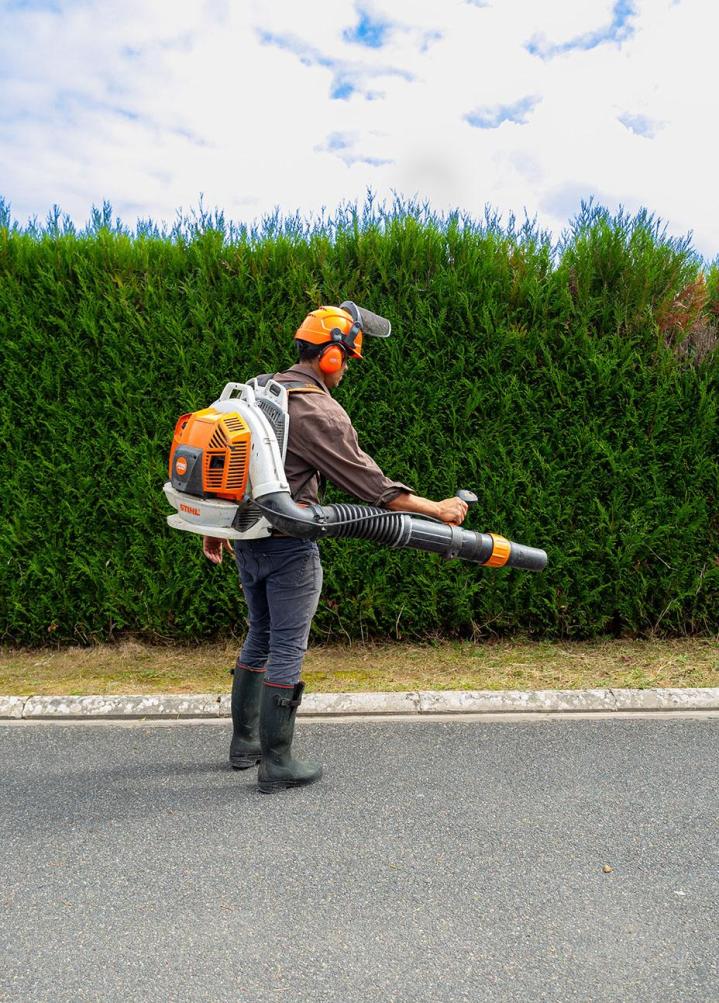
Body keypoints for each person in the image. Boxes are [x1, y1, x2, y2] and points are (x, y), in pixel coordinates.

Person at [202, 305, 468, 793]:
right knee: (284, 645)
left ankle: (246, 745)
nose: (346, 368)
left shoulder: (261, 388)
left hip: (248, 541)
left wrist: (216, 526)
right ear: (328, 357)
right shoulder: (318, 411)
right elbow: (371, 486)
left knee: (259, 634)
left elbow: (226, 460)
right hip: (288, 544)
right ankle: (276, 763)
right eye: (345, 358)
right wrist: (438, 509)